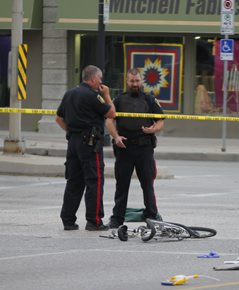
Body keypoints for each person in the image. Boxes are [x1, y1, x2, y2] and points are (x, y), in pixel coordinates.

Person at [56, 65, 116, 231]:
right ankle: (94, 221)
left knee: (74, 181)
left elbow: (58, 118)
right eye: (100, 79)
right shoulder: (93, 95)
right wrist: (107, 95)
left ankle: (68, 220)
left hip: (73, 142)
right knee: (94, 181)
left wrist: (72, 131)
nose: (101, 82)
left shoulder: (70, 93)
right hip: (89, 143)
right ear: (94, 78)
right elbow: (111, 113)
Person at [106, 68, 165, 228]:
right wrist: (115, 136)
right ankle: (117, 219)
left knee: (147, 184)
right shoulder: (118, 100)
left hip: (144, 148)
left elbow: (160, 120)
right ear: (127, 81)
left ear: (141, 81)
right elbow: (109, 120)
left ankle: (152, 216)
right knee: (122, 185)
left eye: (137, 81)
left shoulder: (149, 99)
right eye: (132, 81)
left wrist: (153, 129)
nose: (135, 84)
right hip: (124, 147)